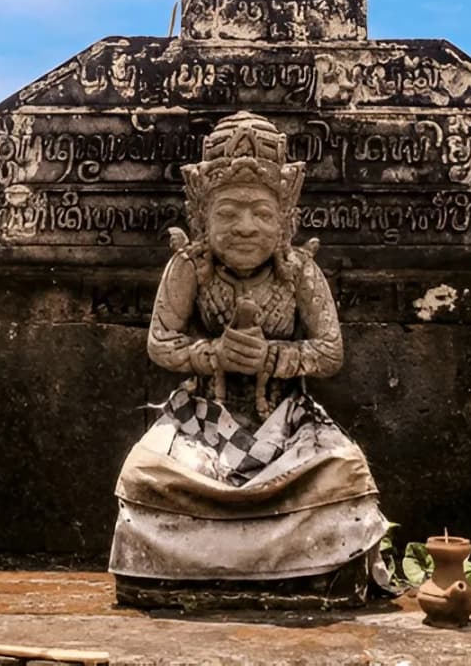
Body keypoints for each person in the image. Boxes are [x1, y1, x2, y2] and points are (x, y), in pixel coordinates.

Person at [109, 111, 391, 607]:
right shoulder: (189, 268)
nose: (245, 227)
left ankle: (316, 574)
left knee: (344, 470)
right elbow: (160, 342)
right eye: (228, 213)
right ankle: (172, 576)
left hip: (283, 418)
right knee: (144, 475)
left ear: (286, 222)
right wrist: (213, 353)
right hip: (202, 419)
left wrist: (273, 357)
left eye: (262, 214)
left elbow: (330, 351)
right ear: (201, 219)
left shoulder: (300, 272)